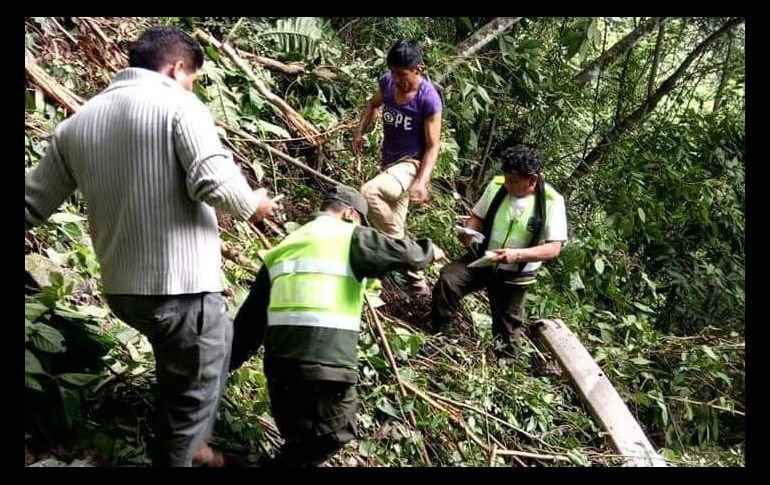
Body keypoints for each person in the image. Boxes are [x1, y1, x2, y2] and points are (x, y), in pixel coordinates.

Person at [24, 25, 275, 467]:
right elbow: (215, 182)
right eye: (193, 78)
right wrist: (253, 203)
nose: (192, 86)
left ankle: (193, 444)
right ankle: (184, 452)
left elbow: (32, 204)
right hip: (180, 289)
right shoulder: (178, 103)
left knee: (195, 356)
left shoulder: (77, 123)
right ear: (177, 68)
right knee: (198, 382)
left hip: (125, 292)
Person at [229, 185, 437, 466]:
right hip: (326, 369)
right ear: (351, 214)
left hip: (280, 370)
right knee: (334, 434)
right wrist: (431, 250)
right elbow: (411, 255)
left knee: (300, 439)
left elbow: (250, 322)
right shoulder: (350, 235)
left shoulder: (285, 246)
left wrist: (226, 364)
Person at [430, 145, 568, 360]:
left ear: (531, 180)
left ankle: (506, 364)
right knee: (449, 279)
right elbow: (477, 217)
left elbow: (553, 248)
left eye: (513, 180)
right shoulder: (496, 186)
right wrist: (468, 233)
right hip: (483, 259)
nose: (507, 184)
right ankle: (439, 335)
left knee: (507, 328)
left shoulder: (551, 201)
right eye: (506, 178)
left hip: (515, 273)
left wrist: (516, 255)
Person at [352, 39, 442, 293]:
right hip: (389, 165)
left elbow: (433, 146)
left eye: (402, 74)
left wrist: (421, 181)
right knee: (393, 228)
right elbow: (373, 104)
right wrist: (359, 133)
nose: (396, 79)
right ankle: (417, 280)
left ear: (418, 69)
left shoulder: (429, 100)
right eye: (393, 72)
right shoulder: (388, 84)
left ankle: (412, 253)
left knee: (369, 192)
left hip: (411, 166)